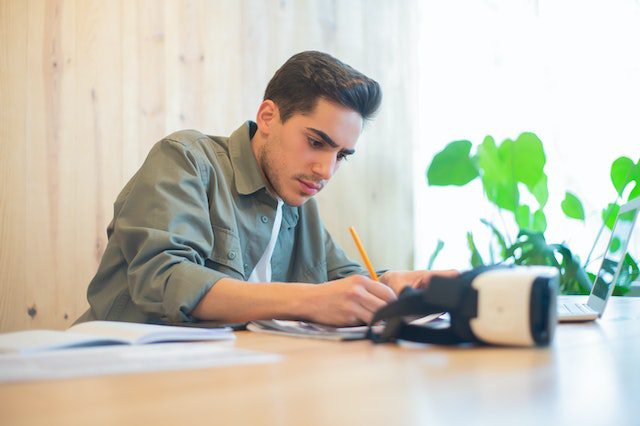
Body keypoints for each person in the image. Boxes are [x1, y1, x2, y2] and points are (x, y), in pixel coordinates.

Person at [76, 51, 455, 326]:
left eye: (342, 155)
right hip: (112, 374)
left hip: (218, 381)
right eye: (316, 142)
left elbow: (339, 282)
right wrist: (307, 301)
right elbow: (164, 280)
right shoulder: (187, 159)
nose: (325, 170)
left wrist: (393, 287)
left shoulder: (296, 200)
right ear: (268, 116)